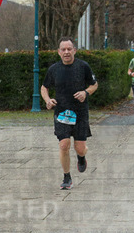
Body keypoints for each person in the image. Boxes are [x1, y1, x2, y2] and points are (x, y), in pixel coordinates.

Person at [41, 37, 98, 190]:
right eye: (63, 49)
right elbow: (44, 87)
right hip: (61, 112)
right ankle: (67, 177)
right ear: (59, 52)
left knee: (80, 148)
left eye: (69, 49)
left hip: (80, 112)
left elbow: (94, 84)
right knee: (64, 145)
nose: (66, 52)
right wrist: (47, 100)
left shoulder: (83, 66)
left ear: (74, 50)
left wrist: (85, 92)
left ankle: (81, 157)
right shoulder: (54, 69)